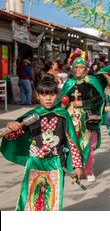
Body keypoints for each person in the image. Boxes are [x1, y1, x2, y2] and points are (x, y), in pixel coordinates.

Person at [0, 76, 83, 211]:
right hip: (35, 161)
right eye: (44, 95)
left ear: (57, 95)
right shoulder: (33, 115)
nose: (48, 98)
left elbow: (72, 141)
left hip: (56, 162)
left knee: (53, 198)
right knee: (30, 197)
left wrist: (77, 166)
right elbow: (16, 134)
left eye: (51, 94)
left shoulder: (63, 115)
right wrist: (13, 127)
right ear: (38, 96)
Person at [58, 49, 105, 183]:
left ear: (86, 69)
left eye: (81, 68)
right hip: (71, 118)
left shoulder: (92, 82)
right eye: (75, 68)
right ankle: (76, 169)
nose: (78, 70)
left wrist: (83, 103)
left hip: (87, 119)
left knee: (88, 145)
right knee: (73, 143)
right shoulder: (69, 83)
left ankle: (89, 171)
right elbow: (62, 99)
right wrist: (63, 104)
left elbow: (99, 100)